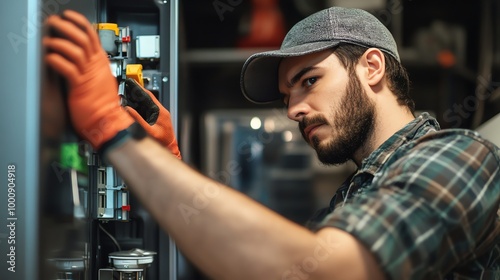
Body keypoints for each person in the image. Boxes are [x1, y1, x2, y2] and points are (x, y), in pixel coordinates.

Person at [43, 7, 499, 280]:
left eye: (309, 80)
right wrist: (168, 163)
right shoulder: (353, 197)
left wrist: (113, 131)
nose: (294, 110)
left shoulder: (460, 156)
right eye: (287, 96)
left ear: (372, 67)